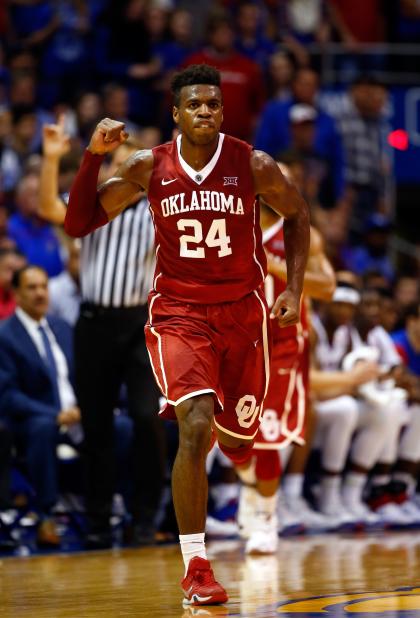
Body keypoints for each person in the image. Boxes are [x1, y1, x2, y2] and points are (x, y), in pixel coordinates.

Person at [64, 64, 310, 606]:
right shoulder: (149, 166)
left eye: (213, 104)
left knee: (238, 442)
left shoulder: (253, 164)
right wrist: (92, 155)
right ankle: (196, 565)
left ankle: (246, 480)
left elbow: (296, 214)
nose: (205, 112)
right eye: (194, 104)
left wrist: (291, 288)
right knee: (193, 425)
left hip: (244, 315)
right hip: (179, 314)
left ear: (223, 112)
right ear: (175, 113)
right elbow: (79, 222)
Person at [39, 118, 165, 550]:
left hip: (139, 324)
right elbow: (47, 208)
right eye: (121, 158)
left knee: (149, 418)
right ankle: (98, 519)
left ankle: (146, 516)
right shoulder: (88, 205)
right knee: (97, 427)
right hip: (94, 324)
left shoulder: (156, 208)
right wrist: (54, 158)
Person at [238, 162, 336, 554]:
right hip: (239, 343)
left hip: (280, 345)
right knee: (230, 437)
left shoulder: (300, 232)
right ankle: (249, 490)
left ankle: (266, 517)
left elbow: (327, 287)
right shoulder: (232, 226)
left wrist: (277, 266)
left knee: (267, 439)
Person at [0, 266, 81, 547]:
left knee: (121, 428)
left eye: (44, 287)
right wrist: (54, 414)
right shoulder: (6, 335)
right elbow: (8, 395)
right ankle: (46, 513)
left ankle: (110, 512)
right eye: (32, 288)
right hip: (34, 420)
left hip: (76, 417)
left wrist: (83, 409)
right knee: (42, 428)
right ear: (16, 293)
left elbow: (83, 376)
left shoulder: (63, 328)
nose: (40, 294)